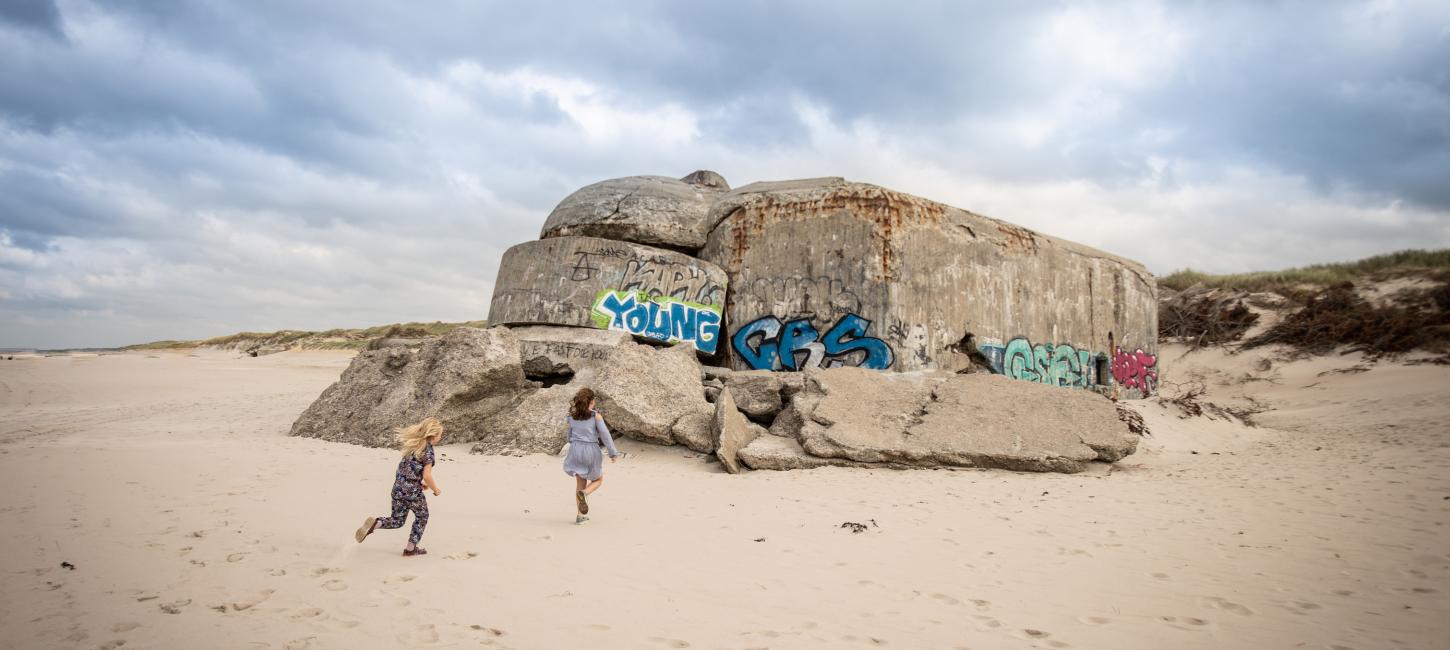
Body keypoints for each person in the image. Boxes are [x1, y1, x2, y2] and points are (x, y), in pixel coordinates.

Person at [355, 417, 443, 556]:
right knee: (422, 516)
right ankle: (410, 548)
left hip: (398, 489)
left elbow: (406, 470)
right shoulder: (428, 451)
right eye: (440, 435)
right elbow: (427, 475)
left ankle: (376, 524)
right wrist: (435, 489)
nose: (440, 437)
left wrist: (417, 483)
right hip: (412, 493)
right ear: (433, 435)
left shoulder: (413, 447)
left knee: (397, 520)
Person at [561, 388, 619, 524]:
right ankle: (585, 494)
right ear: (592, 401)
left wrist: (574, 443)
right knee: (598, 480)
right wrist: (612, 453)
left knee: (580, 482)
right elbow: (606, 436)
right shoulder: (596, 416)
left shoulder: (572, 417)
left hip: (575, 449)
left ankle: (580, 517)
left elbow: (569, 435)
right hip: (591, 451)